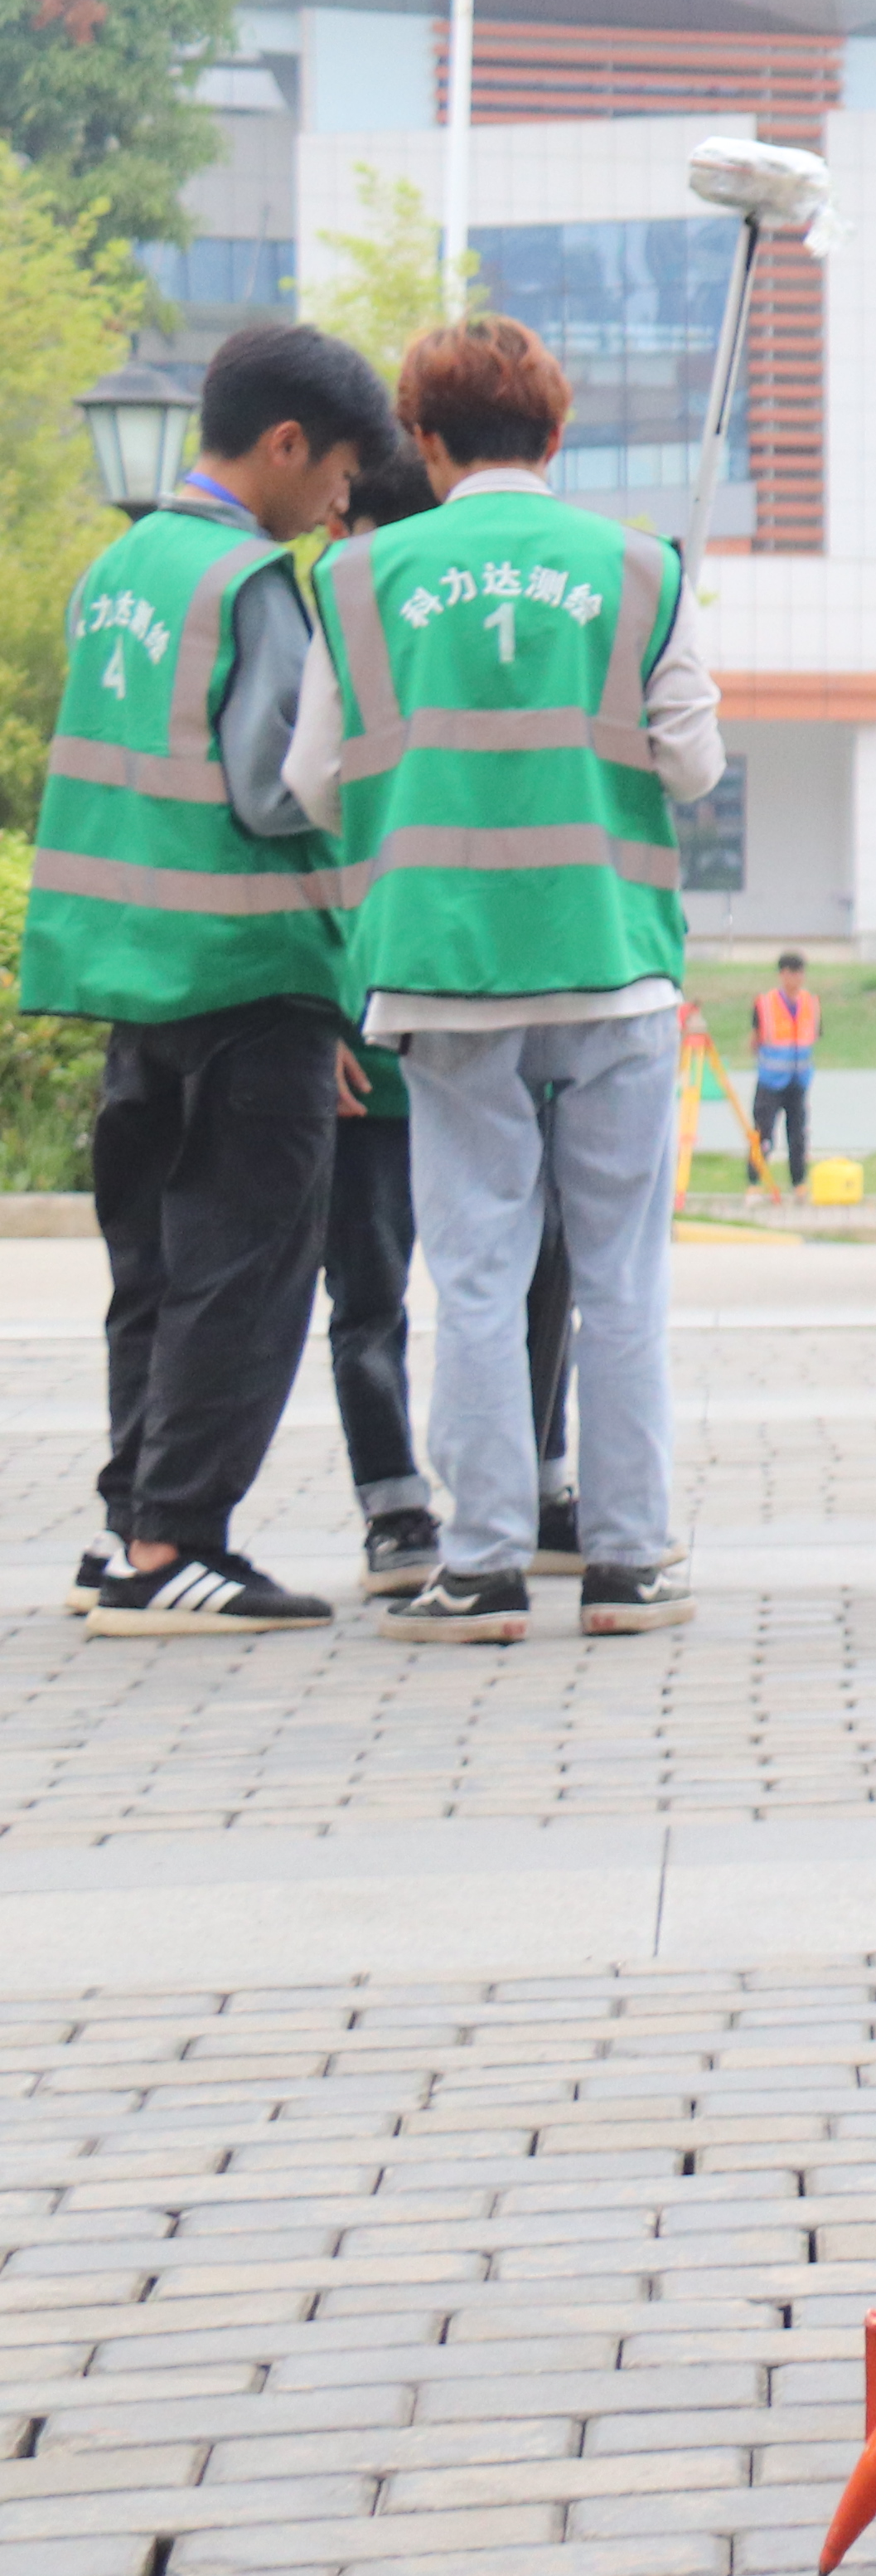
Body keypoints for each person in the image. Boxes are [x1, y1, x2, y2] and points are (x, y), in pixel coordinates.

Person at [286, 314, 714, 1643]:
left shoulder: (359, 579)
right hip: (611, 959)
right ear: (558, 431)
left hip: (444, 966)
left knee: (474, 1271)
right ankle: (628, 1562)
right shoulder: (640, 568)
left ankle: (478, 1568)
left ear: (420, 438)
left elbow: (312, 781)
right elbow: (694, 764)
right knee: (620, 1274)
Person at [24, 325, 390, 1632]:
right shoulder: (253, 586)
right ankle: (175, 1545)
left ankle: (131, 1528)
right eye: (338, 472)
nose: (339, 503)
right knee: (245, 1273)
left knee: (157, 1273)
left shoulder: (117, 569)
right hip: (248, 968)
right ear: (286, 444)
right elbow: (283, 786)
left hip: (134, 978)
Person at [311, 435, 577, 1602]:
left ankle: (541, 1483)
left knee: (538, 1271)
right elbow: (301, 843)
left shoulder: (465, 649)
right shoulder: (335, 639)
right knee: (370, 1287)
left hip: (488, 1015)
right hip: (373, 1030)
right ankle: (396, 1507)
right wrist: (321, 1019)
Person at [748, 950, 820, 1195]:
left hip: (798, 1080)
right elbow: (755, 1039)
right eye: (792, 973)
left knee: (798, 1135)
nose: (797, 978)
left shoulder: (811, 1003)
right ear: (782, 975)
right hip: (770, 1081)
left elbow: (813, 1036)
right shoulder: (766, 1004)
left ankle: (799, 1183)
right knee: (763, 1133)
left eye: (800, 973)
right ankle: (754, 1182)